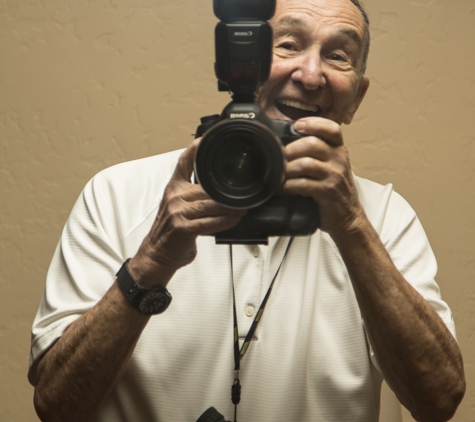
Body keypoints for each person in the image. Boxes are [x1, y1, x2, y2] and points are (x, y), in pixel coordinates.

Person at [28, 0, 465, 421]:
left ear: (356, 98)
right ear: (240, 64)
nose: (311, 75)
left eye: (337, 56)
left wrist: (352, 226)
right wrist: (152, 261)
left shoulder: (384, 217)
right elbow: (57, 406)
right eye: (289, 45)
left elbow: (438, 401)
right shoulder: (118, 194)